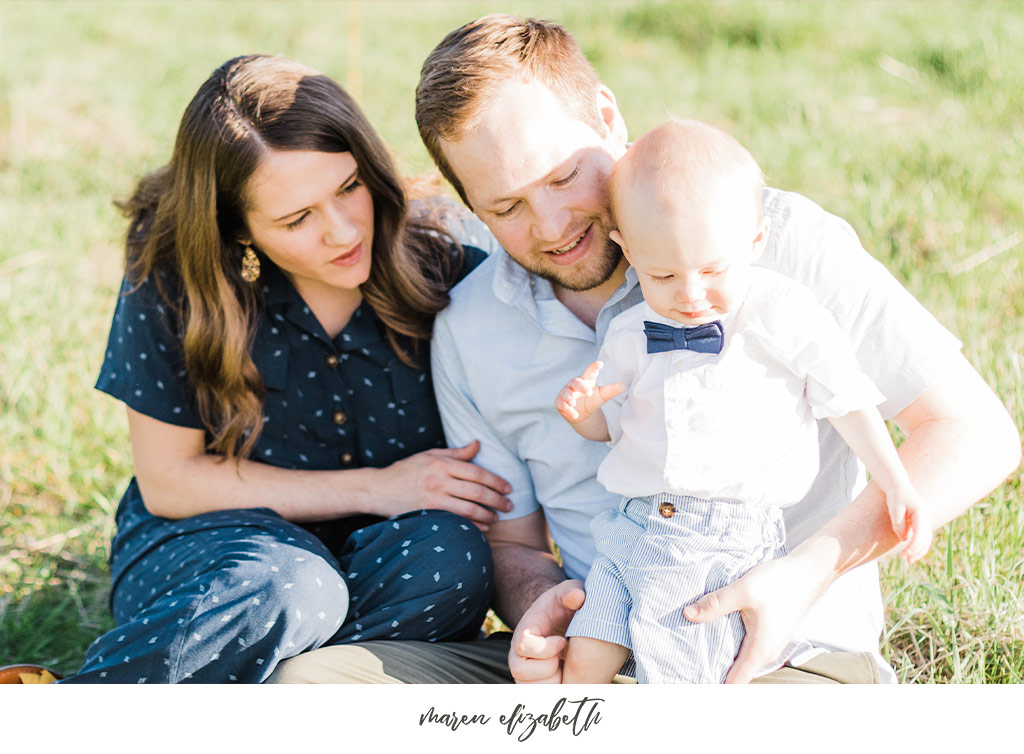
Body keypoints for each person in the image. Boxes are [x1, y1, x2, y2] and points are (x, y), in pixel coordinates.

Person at [269, 14, 1019, 684]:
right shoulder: (471, 327)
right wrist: (541, 612)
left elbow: (975, 434)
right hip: (598, 655)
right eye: (506, 207)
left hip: (778, 662)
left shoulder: (782, 246)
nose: (554, 223)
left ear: (607, 114)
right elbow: (515, 545)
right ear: (470, 206)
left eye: (564, 174)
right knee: (317, 691)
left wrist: (805, 574)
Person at [61, 54, 513, 683]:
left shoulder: (452, 256)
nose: (341, 231)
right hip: (220, 557)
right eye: (297, 219)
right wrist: (375, 487)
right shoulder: (174, 279)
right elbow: (169, 481)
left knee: (454, 558)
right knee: (292, 587)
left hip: (387, 556)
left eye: (349, 188)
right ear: (238, 230)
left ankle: (244, 694)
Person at [556, 119, 930, 684]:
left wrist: (897, 481)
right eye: (661, 273)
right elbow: (610, 427)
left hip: (721, 541)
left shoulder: (781, 314)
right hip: (630, 530)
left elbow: (847, 402)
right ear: (628, 251)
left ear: (755, 242)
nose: (689, 294)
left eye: (712, 270)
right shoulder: (631, 331)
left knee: (686, 675)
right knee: (584, 656)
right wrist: (584, 414)